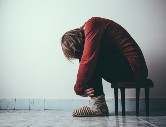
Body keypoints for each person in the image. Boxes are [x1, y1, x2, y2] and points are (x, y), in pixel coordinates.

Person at [61, 17, 148, 117]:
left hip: (134, 68)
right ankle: (97, 104)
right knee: (88, 58)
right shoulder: (91, 29)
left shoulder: (93, 24)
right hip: (129, 69)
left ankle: (98, 106)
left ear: (76, 40)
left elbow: (88, 59)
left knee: (88, 58)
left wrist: (78, 88)